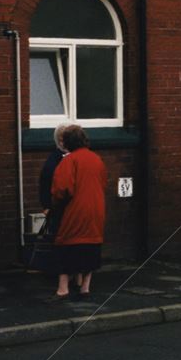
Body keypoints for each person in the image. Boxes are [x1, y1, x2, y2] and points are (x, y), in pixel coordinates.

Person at [50, 124, 107, 299]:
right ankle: (85, 288)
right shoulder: (97, 159)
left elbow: (62, 189)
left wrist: (55, 204)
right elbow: (103, 182)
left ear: (68, 142)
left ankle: (63, 289)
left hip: (75, 209)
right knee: (91, 246)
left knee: (66, 245)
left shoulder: (69, 160)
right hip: (96, 208)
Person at [38, 124, 69, 238]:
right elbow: (46, 182)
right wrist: (47, 205)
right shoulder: (55, 160)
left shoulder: (57, 158)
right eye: (62, 139)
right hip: (58, 209)